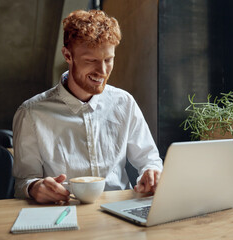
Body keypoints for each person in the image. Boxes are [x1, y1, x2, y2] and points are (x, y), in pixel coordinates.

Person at [12, 9, 163, 204]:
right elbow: (23, 182)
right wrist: (34, 187)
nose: (102, 71)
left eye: (108, 60)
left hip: (120, 212)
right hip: (63, 212)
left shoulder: (124, 102)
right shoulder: (31, 114)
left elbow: (150, 160)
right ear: (68, 55)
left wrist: (151, 173)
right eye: (91, 61)